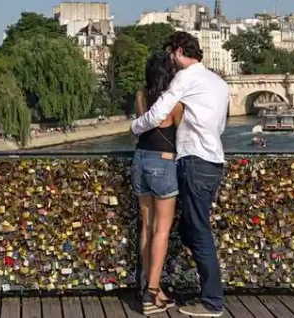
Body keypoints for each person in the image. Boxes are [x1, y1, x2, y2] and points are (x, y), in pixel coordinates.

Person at [131, 31, 229, 317]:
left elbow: (157, 113)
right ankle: (163, 287)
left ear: (176, 51)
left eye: (171, 54)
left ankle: (211, 301)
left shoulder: (185, 78)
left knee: (195, 232)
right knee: (192, 228)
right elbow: (221, 124)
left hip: (191, 160)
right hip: (212, 159)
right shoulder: (219, 82)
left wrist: (135, 128)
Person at [131, 51, 184, 316]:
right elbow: (182, 131)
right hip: (163, 163)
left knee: (147, 227)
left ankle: (153, 287)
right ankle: (150, 294)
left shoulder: (141, 95)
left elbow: (144, 125)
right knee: (162, 230)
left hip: (140, 160)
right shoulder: (174, 101)